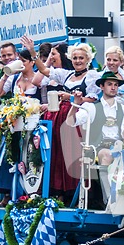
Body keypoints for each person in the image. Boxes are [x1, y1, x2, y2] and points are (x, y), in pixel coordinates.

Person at [21, 35, 100, 204]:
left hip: (76, 118)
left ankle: (75, 194)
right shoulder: (67, 74)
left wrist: (70, 97)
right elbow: (44, 70)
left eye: (81, 58)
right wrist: (33, 52)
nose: (78, 61)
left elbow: (92, 99)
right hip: (58, 117)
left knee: (71, 154)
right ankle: (57, 192)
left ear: (88, 59)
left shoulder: (92, 75)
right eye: (75, 58)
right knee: (56, 154)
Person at [66, 71, 124, 210]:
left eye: (116, 85)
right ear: (101, 86)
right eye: (109, 84)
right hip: (97, 148)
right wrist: (75, 105)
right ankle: (111, 201)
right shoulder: (91, 107)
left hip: (118, 147)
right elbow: (70, 122)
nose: (113, 87)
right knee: (107, 155)